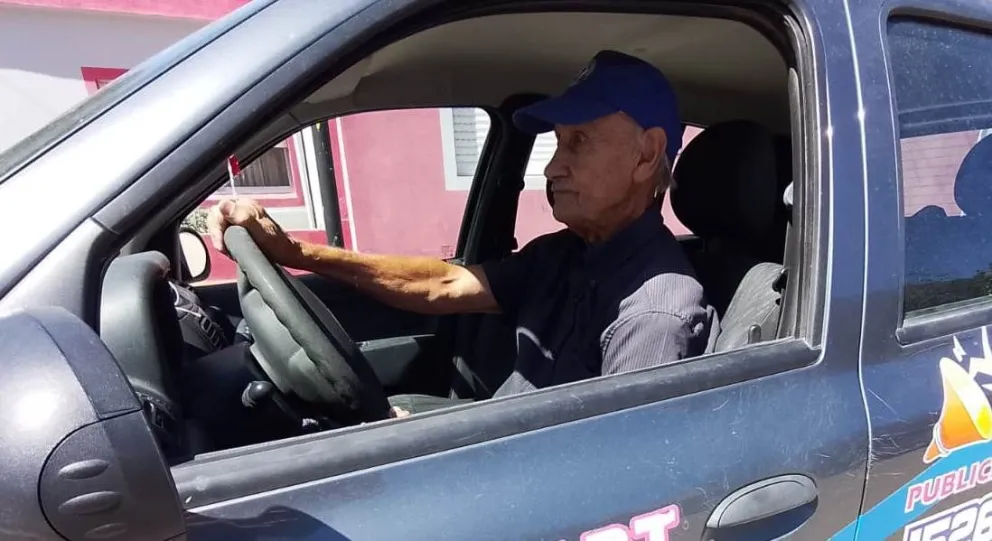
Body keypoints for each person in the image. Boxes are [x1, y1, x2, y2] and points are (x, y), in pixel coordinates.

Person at [207, 50, 718, 417]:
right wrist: (297, 253)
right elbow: (444, 285)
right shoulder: (566, 253)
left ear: (647, 155)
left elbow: (614, 474)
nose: (553, 168)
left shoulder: (655, 313)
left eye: (578, 142)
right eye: (557, 144)